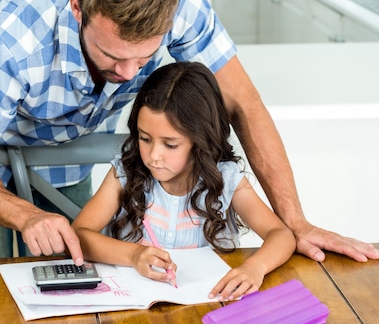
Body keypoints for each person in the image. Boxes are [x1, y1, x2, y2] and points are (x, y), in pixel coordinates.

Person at [0, 0, 379, 263]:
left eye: (143, 57)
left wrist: (297, 223)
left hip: (64, 142)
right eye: (111, 55)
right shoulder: (12, 43)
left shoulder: (180, 3)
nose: (128, 74)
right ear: (77, 9)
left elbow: (243, 104)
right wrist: (26, 215)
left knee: (66, 272)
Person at [71, 61, 296, 300]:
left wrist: (255, 268)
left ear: (200, 141)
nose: (154, 156)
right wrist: (133, 255)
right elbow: (79, 235)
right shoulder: (124, 174)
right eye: (145, 138)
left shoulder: (226, 179)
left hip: (209, 308)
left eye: (170, 145)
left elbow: (281, 235)